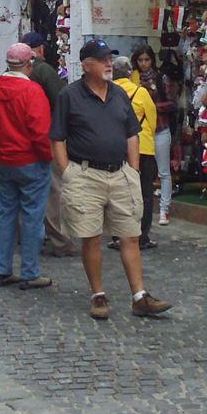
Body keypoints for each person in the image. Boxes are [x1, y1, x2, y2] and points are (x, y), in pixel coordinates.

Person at [50, 39, 172, 320]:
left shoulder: (118, 94)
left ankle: (140, 296)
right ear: (86, 65)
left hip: (120, 174)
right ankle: (98, 294)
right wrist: (68, 171)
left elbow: (132, 132)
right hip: (85, 174)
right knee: (91, 237)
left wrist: (133, 169)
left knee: (131, 234)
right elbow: (57, 137)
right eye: (103, 59)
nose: (109, 64)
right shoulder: (70, 96)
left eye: (110, 58)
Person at [0, 43, 53, 289]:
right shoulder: (32, 91)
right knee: (32, 216)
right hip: (30, 159)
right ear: (29, 64)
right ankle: (30, 272)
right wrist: (46, 155)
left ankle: (3, 269)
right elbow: (40, 130)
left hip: (4, 160)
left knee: (6, 213)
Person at [21, 31, 75, 257]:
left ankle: (26, 237)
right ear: (40, 49)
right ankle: (60, 240)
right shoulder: (43, 70)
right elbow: (62, 101)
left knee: (23, 191)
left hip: (20, 142)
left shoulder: (8, 76)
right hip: (46, 137)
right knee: (54, 189)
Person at [112, 56, 159, 250]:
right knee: (144, 193)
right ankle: (142, 236)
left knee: (118, 194)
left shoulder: (109, 92)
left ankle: (117, 236)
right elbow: (152, 118)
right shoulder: (141, 92)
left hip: (116, 148)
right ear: (130, 73)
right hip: (142, 147)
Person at [131, 45, 178, 226]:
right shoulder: (133, 79)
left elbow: (172, 103)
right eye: (141, 60)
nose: (144, 64)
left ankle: (164, 210)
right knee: (141, 171)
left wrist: (152, 107)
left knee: (163, 171)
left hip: (159, 128)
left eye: (147, 60)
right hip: (140, 132)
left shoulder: (160, 78)